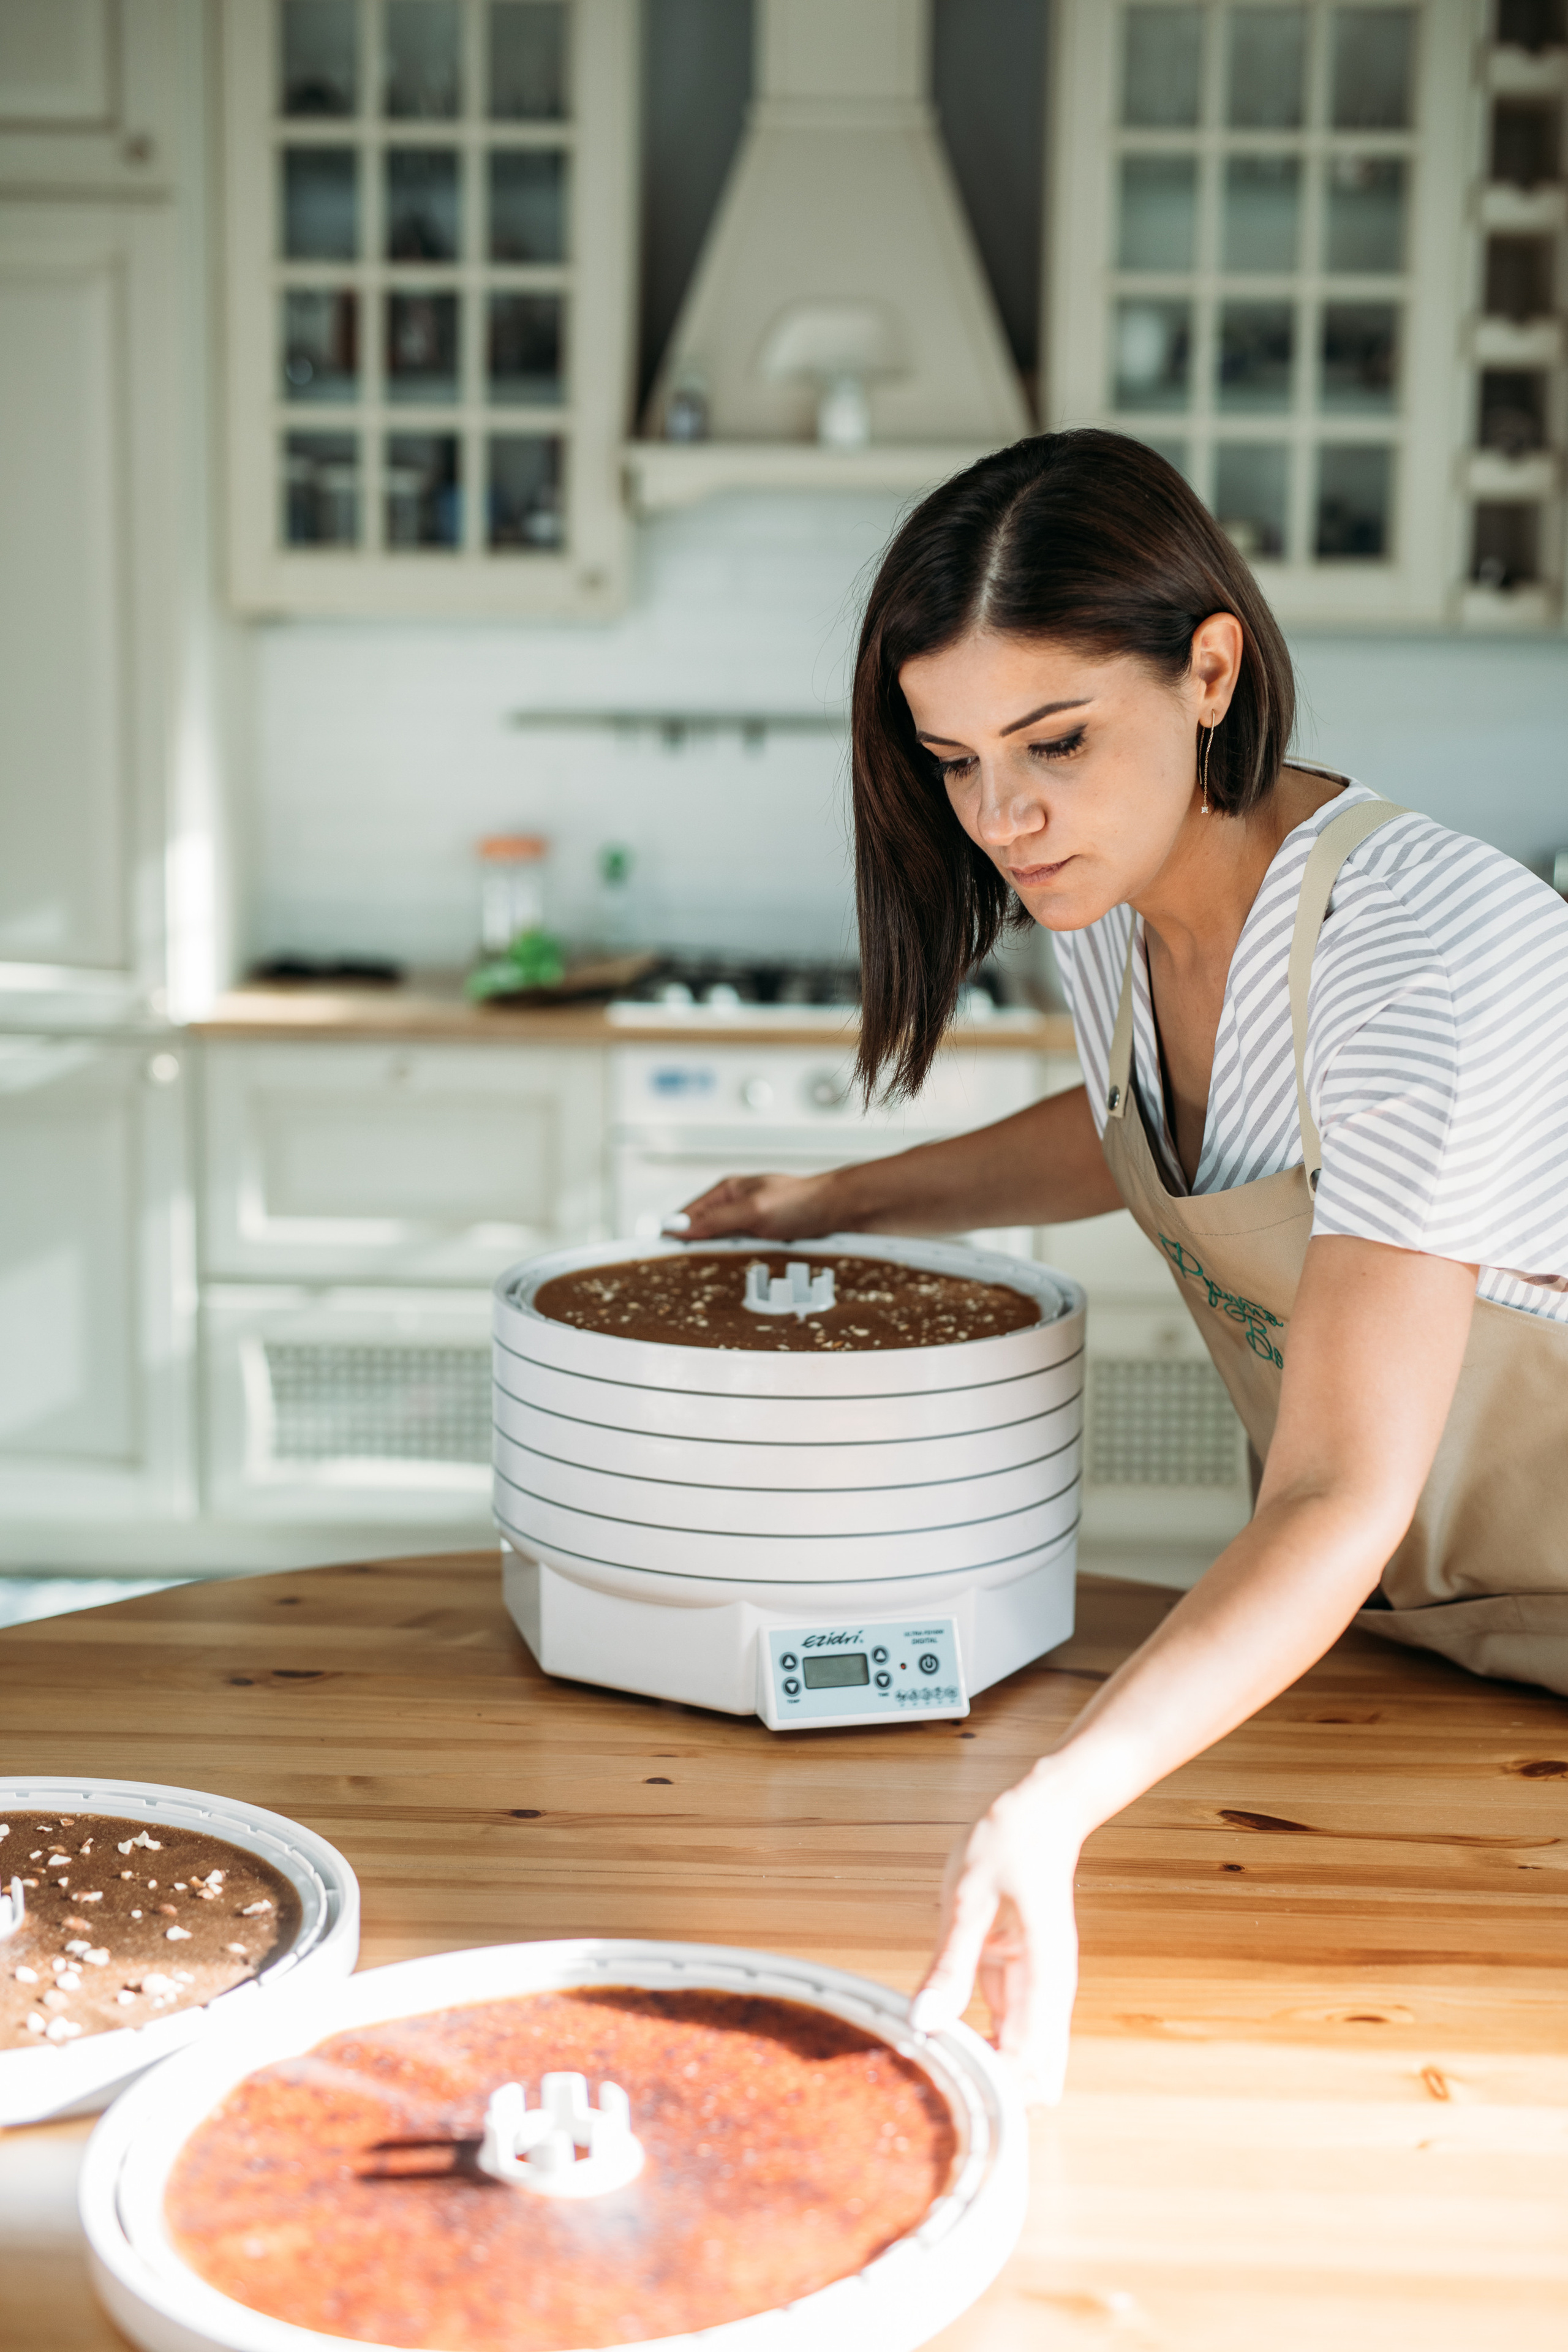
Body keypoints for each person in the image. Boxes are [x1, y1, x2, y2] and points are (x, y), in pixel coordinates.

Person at [675, 431, 1568, 2103]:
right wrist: (841, 1196)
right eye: (952, 761)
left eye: (1055, 743)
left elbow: (1335, 1492)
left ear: (1211, 666)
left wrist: (1055, 1801)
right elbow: (1150, 1133)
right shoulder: (1113, 908)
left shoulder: (1421, 948)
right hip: (1421, 1635)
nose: (1002, 819)